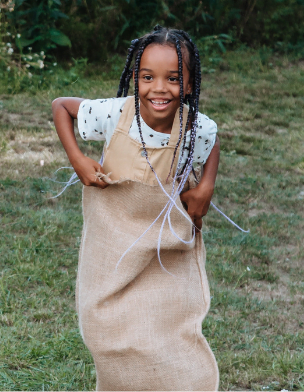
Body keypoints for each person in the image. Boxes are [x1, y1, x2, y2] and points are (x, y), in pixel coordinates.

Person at [52, 26, 221, 391]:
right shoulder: (115, 114)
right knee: (103, 325)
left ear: (189, 85)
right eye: (148, 77)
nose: (159, 88)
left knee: (164, 325)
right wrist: (78, 159)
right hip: (113, 239)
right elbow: (61, 107)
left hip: (163, 243)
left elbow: (213, 141)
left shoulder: (195, 127)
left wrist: (205, 186)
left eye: (173, 79)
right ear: (135, 78)